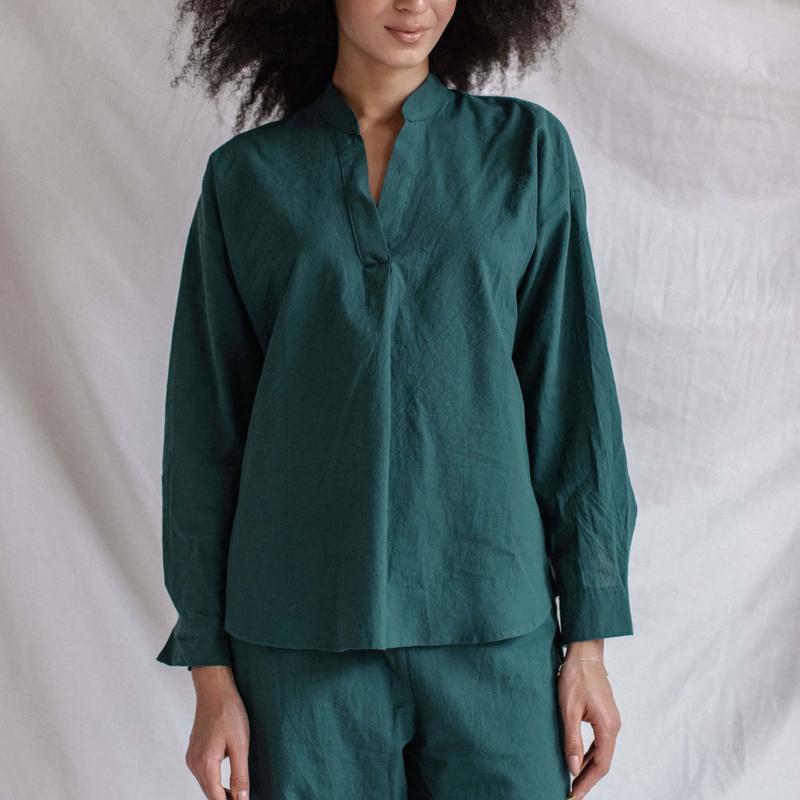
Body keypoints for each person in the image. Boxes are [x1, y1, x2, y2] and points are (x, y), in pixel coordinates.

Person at [155, 1, 638, 799]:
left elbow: (573, 404)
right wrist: (210, 674)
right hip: (299, 640)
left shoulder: (525, 152)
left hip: (493, 623)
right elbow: (205, 437)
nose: (414, 4)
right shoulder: (246, 179)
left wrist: (587, 644)